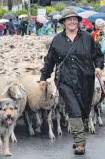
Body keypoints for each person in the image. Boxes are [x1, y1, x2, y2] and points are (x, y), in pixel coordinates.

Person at [39, 9, 103, 155]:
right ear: (64, 22)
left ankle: (77, 136)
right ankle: (80, 143)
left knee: (84, 110)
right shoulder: (57, 40)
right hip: (65, 81)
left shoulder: (87, 37)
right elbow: (50, 61)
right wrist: (43, 78)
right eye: (69, 19)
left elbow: (97, 54)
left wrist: (99, 66)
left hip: (85, 79)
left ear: (78, 21)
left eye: (75, 19)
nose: (72, 21)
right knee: (74, 109)